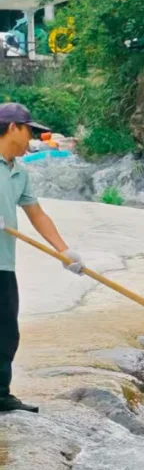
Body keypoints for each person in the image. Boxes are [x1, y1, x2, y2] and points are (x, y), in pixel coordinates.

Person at [0, 102, 84, 413]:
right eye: (28, 132)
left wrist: (64, 251)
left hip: (3, 262)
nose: (30, 140)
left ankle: (0, 393)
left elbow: (37, 214)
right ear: (12, 128)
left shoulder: (19, 172)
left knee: (6, 330)